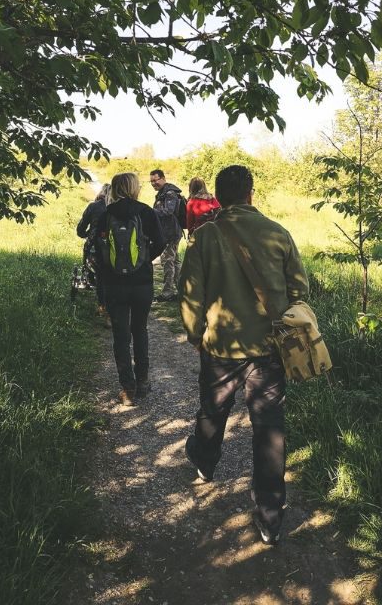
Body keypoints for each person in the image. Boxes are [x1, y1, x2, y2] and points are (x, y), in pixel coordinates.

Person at [178, 165, 309, 545]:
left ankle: (204, 461)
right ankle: (270, 516)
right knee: (269, 428)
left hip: (220, 346)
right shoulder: (279, 234)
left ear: (219, 197)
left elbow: (190, 295)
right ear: (251, 193)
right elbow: (299, 291)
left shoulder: (203, 238)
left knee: (212, 409)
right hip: (269, 349)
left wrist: (195, 335)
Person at [93, 173, 165, 406]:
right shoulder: (146, 212)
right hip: (142, 283)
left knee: (121, 336)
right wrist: (144, 261)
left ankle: (128, 390)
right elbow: (161, 243)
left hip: (114, 285)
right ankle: (143, 381)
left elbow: (97, 248)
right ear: (135, 188)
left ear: (114, 189)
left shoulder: (106, 214)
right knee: (140, 330)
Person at [76, 183, 112, 314]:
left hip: (95, 246)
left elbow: (80, 229)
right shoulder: (115, 207)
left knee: (100, 276)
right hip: (115, 246)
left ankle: (101, 305)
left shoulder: (93, 206)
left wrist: (87, 234)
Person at [149, 168, 184, 301]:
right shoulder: (164, 192)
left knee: (167, 261)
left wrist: (151, 212)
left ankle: (167, 292)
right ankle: (180, 290)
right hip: (171, 231)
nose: (153, 183)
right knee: (174, 261)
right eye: (151, 181)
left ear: (163, 178)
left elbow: (169, 211)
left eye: (155, 180)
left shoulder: (169, 193)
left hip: (171, 233)